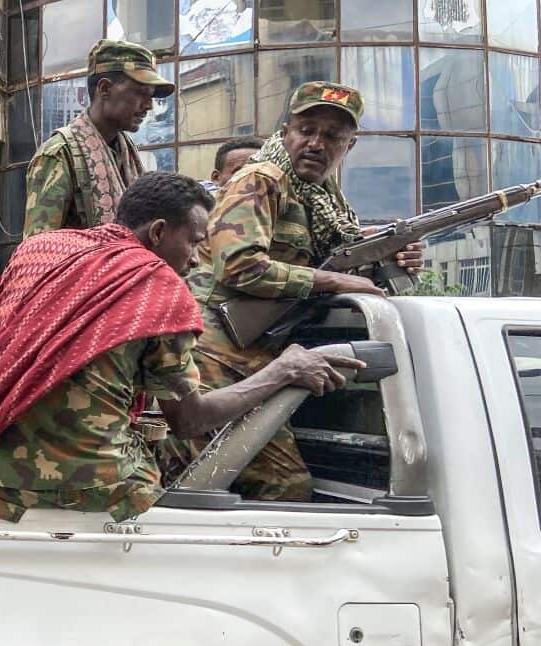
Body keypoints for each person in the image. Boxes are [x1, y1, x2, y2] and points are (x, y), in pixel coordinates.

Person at [0, 172, 363, 523]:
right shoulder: (161, 292)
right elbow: (191, 419)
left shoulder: (39, 251)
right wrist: (283, 370)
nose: (198, 257)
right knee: (165, 462)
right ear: (159, 232)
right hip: (96, 488)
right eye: (195, 241)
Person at [159, 82, 424, 501]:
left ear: (348, 146)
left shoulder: (324, 201)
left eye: (332, 136)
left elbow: (334, 256)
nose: (317, 143)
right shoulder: (261, 179)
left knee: (265, 486)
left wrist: (392, 258)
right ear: (285, 134)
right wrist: (335, 281)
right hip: (211, 353)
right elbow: (240, 265)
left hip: (257, 356)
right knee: (206, 484)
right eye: (307, 130)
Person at [22, 39, 174, 238]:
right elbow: (38, 252)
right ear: (104, 89)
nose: (149, 105)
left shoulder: (128, 157)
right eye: (140, 93)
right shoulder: (60, 154)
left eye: (151, 96)